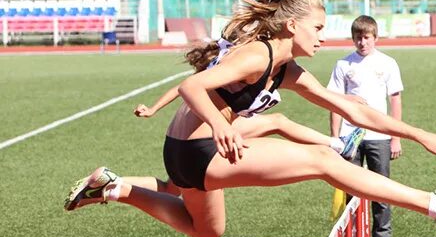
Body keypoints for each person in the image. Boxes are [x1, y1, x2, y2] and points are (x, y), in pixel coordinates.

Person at [64, 0, 436, 237]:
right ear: (292, 24)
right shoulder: (257, 54)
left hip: (188, 151)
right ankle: (435, 205)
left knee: (208, 230)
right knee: (322, 160)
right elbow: (193, 87)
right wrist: (222, 124)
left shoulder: (286, 69)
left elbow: (352, 108)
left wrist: (418, 133)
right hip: (197, 148)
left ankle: (115, 188)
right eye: (318, 27)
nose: (323, 37)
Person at [127, 81, 366, 198]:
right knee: (278, 122)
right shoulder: (239, 61)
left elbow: (304, 86)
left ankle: (112, 183)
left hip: (200, 137)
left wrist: (341, 99)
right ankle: (339, 145)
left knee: (171, 190)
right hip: (205, 136)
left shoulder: (259, 61)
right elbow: (186, 84)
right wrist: (154, 108)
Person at [327, 15, 405, 237]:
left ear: (375, 38)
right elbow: (334, 103)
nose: (362, 42)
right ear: (353, 39)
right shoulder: (343, 65)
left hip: (379, 136)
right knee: (352, 192)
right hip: (350, 136)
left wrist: (396, 137)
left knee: (382, 191)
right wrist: (334, 139)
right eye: (358, 38)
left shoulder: (388, 63)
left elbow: (395, 99)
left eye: (367, 37)